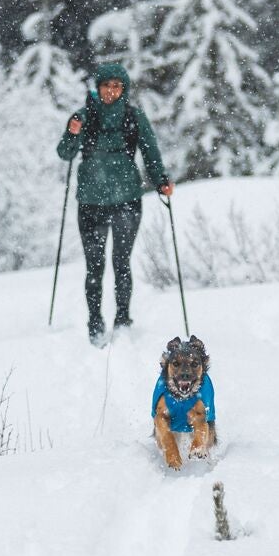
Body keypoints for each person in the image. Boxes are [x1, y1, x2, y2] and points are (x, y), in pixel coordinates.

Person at [56, 62, 172, 345]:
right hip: (91, 203)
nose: (111, 91)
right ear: (98, 88)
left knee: (122, 263)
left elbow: (150, 152)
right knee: (94, 266)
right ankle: (95, 322)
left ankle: (122, 319)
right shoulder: (82, 117)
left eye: (116, 86)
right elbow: (65, 153)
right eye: (106, 85)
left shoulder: (134, 118)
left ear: (124, 89)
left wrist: (161, 181)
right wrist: (72, 133)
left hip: (127, 200)